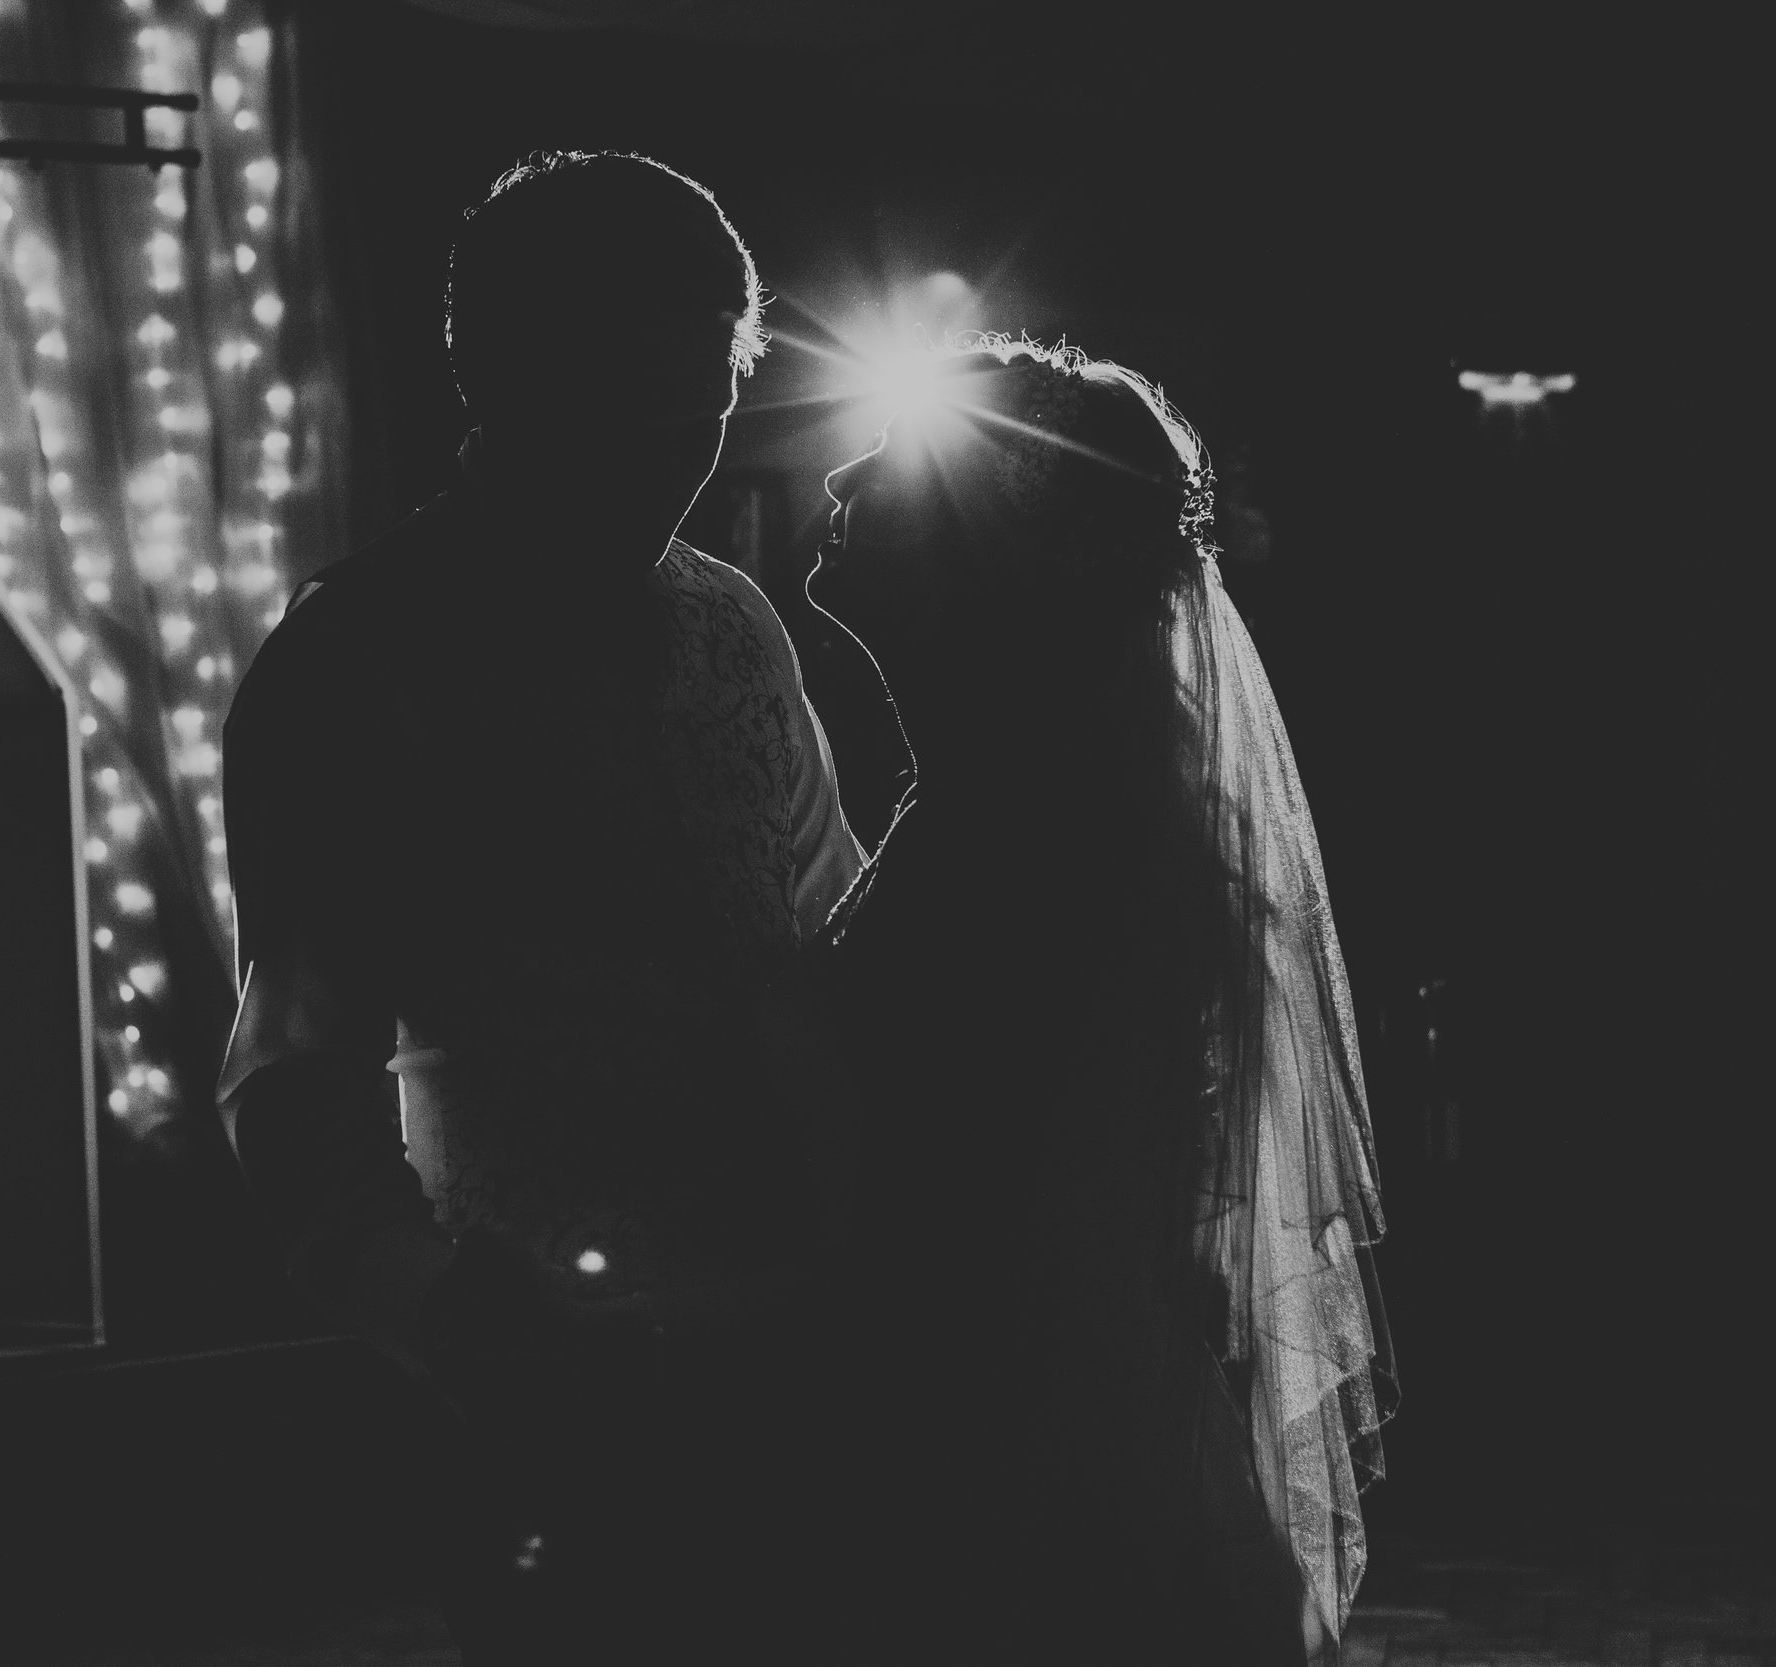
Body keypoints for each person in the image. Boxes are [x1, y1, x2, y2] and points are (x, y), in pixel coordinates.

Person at [214, 152, 870, 1665]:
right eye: (608, 389)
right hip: (554, 1369)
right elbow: (295, 1064)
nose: (661, 442)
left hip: (802, 1331)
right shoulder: (356, 654)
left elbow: (823, 925)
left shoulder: (737, 620)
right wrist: (455, 1330)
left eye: (696, 392)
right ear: (486, 368)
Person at [816, 337, 1396, 1665]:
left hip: (1004, 1468)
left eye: (894, 466)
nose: (840, 473)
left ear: (995, 555)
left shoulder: (1038, 843)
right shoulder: (998, 805)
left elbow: (998, 1215)